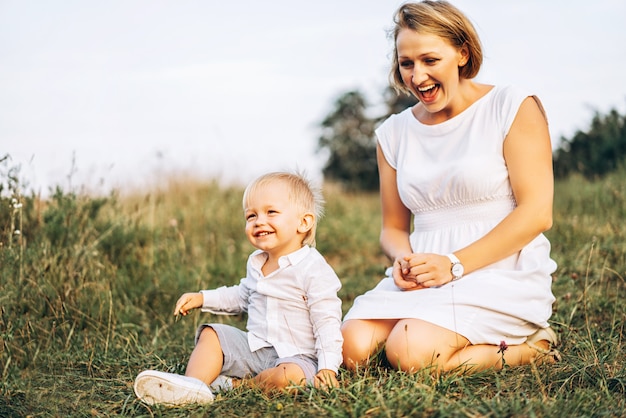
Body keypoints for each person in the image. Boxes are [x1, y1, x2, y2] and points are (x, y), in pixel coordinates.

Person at [341, 0, 560, 374]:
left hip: (497, 269)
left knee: (408, 350)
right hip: (428, 273)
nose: (417, 76)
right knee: (350, 348)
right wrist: (403, 260)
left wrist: (455, 265)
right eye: (406, 63)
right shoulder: (393, 134)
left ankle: (532, 349)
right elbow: (393, 228)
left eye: (429, 60)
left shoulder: (510, 106)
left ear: (462, 53)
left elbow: (537, 212)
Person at [134, 172, 343, 405]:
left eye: (271, 212)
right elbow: (241, 296)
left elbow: (327, 322)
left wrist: (328, 368)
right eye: (251, 215)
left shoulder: (313, 269)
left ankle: (235, 386)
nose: (259, 221)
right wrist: (203, 298)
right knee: (211, 334)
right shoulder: (256, 262)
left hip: (298, 357)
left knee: (288, 378)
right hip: (255, 348)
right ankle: (191, 386)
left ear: (303, 222)